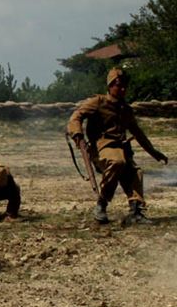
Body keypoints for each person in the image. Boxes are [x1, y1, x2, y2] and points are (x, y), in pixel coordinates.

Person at [67, 68, 168, 224]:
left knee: (135, 172)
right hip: (101, 148)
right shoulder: (98, 102)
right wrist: (77, 134)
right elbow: (76, 117)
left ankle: (135, 211)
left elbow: (138, 132)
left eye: (124, 86)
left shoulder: (126, 110)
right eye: (118, 85)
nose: (122, 89)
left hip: (122, 149)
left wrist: (154, 153)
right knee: (117, 161)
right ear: (110, 85)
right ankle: (101, 203)